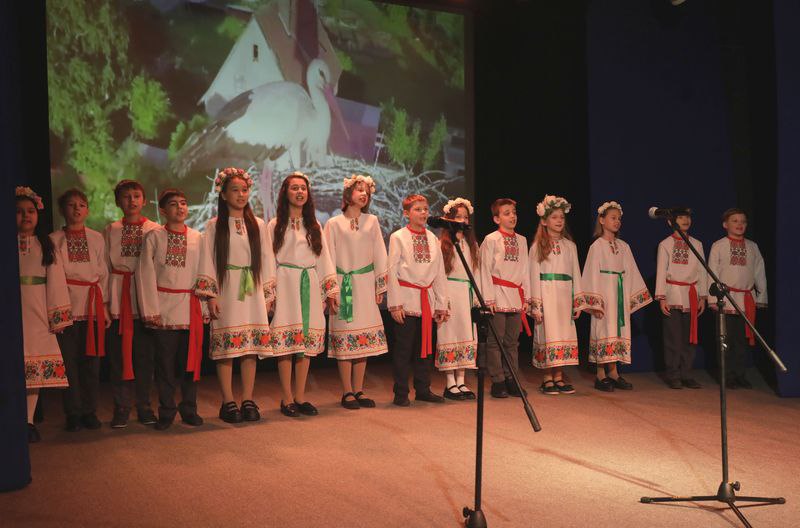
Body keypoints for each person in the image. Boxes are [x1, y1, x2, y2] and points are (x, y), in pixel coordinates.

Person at [195, 168, 275, 423]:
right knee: (228, 346)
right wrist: (211, 295)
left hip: (251, 288)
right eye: (235, 190)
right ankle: (228, 400)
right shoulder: (214, 226)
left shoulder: (258, 225)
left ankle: (248, 398)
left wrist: (268, 294)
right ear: (223, 194)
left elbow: (267, 258)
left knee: (250, 347)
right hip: (227, 288)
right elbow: (207, 259)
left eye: (244, 190)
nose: (241, 195)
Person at [266, 172, 338, 418]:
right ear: (285, 193)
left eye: (303, 188)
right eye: (294, 188)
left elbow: (324, 258)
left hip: (310, 282)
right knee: (288, 340)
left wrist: (330, 290)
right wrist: (270, 292)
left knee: (305, 342)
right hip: (286, 282)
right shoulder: (275, 224)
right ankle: (286, 397)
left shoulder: (314, 224)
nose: (299, 192)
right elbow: (268, 259)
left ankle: (300, 396)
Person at [137, 189, 205, 430]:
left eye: (183, 203)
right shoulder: (154, 237)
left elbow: (204, 271)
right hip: (163, 309)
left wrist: (205, 307)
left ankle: (190, 409)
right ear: (163, 210)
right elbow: (145, 273)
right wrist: (151, 310)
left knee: (190, 364)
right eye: (174, 204)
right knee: (164, 366)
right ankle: (166, 410)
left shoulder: (198, 237)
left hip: (190, 308)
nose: (180, 208)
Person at [324, 174, 388, 410]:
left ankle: (359, 389)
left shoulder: (372, 221)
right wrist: (331, 289)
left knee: (362, 339)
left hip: (365, 284)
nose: (364, 194)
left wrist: (380, 285)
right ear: (348, 194)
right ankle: (347, 391)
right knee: (345, 336)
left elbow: (380, 252)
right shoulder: (334, 223)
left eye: (366, 192)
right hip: (344, 285)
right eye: (359, 190)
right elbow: (328, 256)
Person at [16, 186, 72, 442]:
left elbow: (56, 282)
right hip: (12, 312)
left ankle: (27, 421)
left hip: (37, 313)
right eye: (19, 211)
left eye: (30, 211)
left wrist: (56, 316)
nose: (25, 216)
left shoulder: (46, 245)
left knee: (34, 369)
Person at [50, 188, 109, 431]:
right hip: (66, 307)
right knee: (69, 364)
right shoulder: (54, 239)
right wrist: (58, 312)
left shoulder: (96, 238)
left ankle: (89, 411)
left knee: (91, 364)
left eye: (81, 205)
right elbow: (54, 278)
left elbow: (103, 274)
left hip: (92, 306)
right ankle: (73, 413)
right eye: (71, 205)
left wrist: (104, 306)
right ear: (62, 210)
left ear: (87, 210)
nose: (77, 209)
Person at [104, 180, 160, 427]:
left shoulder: (155, 229)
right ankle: (122, 406)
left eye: (136, 196)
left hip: (144, 299)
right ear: (118, 202)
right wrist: (106, 303)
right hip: (119, 297)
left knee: (145, 357)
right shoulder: (111, 230)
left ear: (144, 200)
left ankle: (145, 406)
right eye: (126, 197)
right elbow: (105, 267)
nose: (132, 201)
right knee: (118, 357)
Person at [582, 201, 652, 392]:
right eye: (613, 218)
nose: (617, 221)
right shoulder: (597, 246)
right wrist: (595, 303)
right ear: (602, 220)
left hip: (619, 295)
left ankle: (613, 372)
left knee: (617, 331)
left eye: (619, 218)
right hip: (604, 295)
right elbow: (591, 274)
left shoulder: (624, 246)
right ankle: (600, 374)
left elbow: (631, 271)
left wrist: (629, 297)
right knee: (603, 331)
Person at [387, 194, 449, 406]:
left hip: (427, 300)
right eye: (418, 209)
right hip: (406, 299)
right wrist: (395, 304)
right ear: (406, 213)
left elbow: (439, 272)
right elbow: (391, 270)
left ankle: (423, 389)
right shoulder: (398, 237)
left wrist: (441, 303)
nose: (423, 213)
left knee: (425, 348)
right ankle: (400, 393)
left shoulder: (432, 238)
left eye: (425, 209)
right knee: (404, 349)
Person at [528, 195, 588, 395]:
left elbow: (576, 274)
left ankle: (559, 377)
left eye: (561, 217)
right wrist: (536, 305)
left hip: (564, 295)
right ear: (545, 221)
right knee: (548, 333)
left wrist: (577, 302)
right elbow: (533, 275)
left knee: (562, 334)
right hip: (546, 294)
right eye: (554, 217)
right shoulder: (537, 246)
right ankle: (547, 378)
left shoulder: (570, 246)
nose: (559, 220)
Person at [707, 208, 767, 389]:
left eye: (743, 221)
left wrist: (761, 296)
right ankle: (727, 376)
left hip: (745, 299)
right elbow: (712, 272)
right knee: (726, 340)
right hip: (726, 299)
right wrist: (712, 299)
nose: (740, 224)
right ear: (725, 224)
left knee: (742, 341)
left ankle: (740, 374)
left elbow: (759, 272)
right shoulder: (719, 245)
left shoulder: (752, 247)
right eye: (735, 221)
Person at [478, 198, 531, 398]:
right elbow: (484, 269)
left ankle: (512, 379)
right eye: (507, 213)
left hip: (515, 294)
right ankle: (498, 381)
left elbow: (525, 269)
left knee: (511, 341)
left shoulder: (522, 240)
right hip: (497, 293)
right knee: (495, 341)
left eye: (514, 212)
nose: (512, 216)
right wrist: (488, 299)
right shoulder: (491, 239)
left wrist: (526, 296)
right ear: (496, 218)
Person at [654, 208, 707, 389]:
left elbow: (702, 271)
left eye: (687, 217)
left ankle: (687, 374)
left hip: (691, 293)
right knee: (673, 338)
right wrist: (662, 297)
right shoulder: (665, 244)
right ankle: (673, 374)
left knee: (689, 338)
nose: (685, 220)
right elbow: (661, 271)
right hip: (673, 293)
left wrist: (702, 296)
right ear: (670, 222)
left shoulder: (697, 244)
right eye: (680, 217)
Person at [435, 197, 479, 401]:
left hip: (466, 293)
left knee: (465, 334)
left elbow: (476, 273)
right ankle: (450, 382)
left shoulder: (472, 244)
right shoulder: (443, 244)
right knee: (450, 335)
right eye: (458, 217)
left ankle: (461, 380)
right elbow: (439, 274)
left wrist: (477, 298)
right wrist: (442, 300)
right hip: (450, 292)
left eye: (465, 217)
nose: (462, 220)